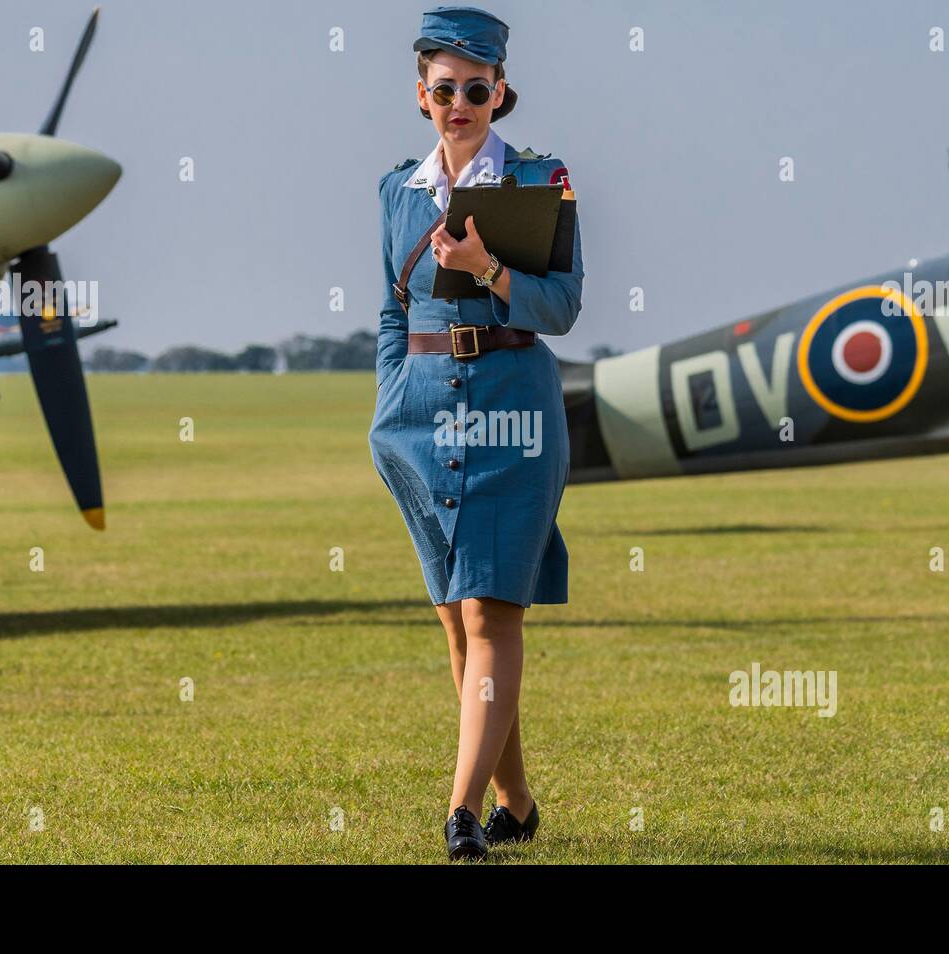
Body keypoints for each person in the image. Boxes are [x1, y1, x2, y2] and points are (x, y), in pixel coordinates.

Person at [367, 5, 584, 861]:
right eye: (445, 88)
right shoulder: (396, 191)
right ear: (423, 97)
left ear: (502, 95)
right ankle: (518, 803)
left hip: (515, 407)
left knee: (494, 609)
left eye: (477, 88)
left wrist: (487, 270)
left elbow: (563, 308)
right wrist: (389, 404)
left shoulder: (544, 178)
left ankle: (459, 816)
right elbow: (390, 310)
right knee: (458, 623)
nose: (461, 101)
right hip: (418, 414)